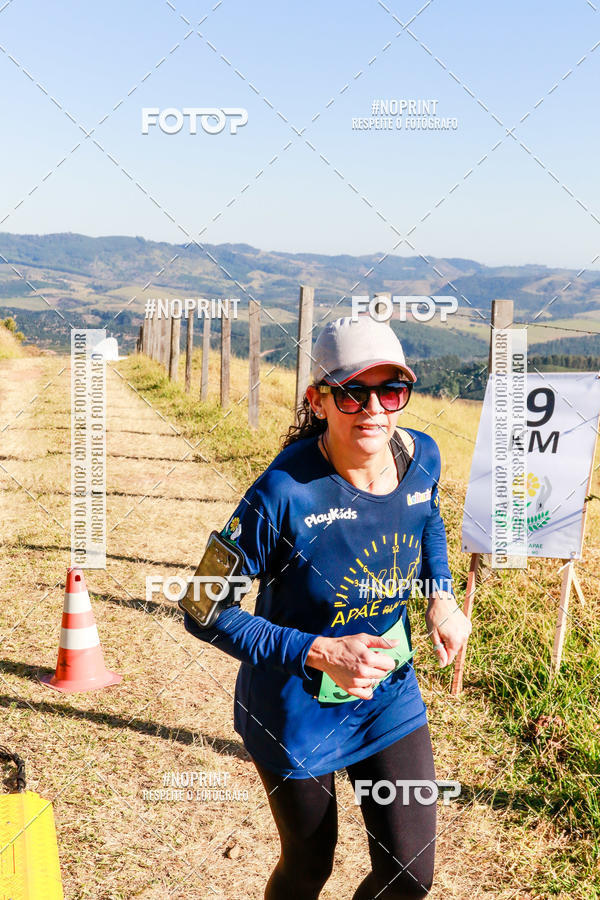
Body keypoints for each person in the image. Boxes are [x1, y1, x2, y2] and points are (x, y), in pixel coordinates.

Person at [183, 315, 471, 899]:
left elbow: (427, 516)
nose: (374, 409)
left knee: (409, 874)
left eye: (391, 391)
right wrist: (321, 652)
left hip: (388, 693)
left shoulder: (422, 456)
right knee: (309, 866)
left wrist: (439, 594)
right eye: (352, 393)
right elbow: (201, 606)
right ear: (318, 401)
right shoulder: (281, 492)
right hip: (294, 708)